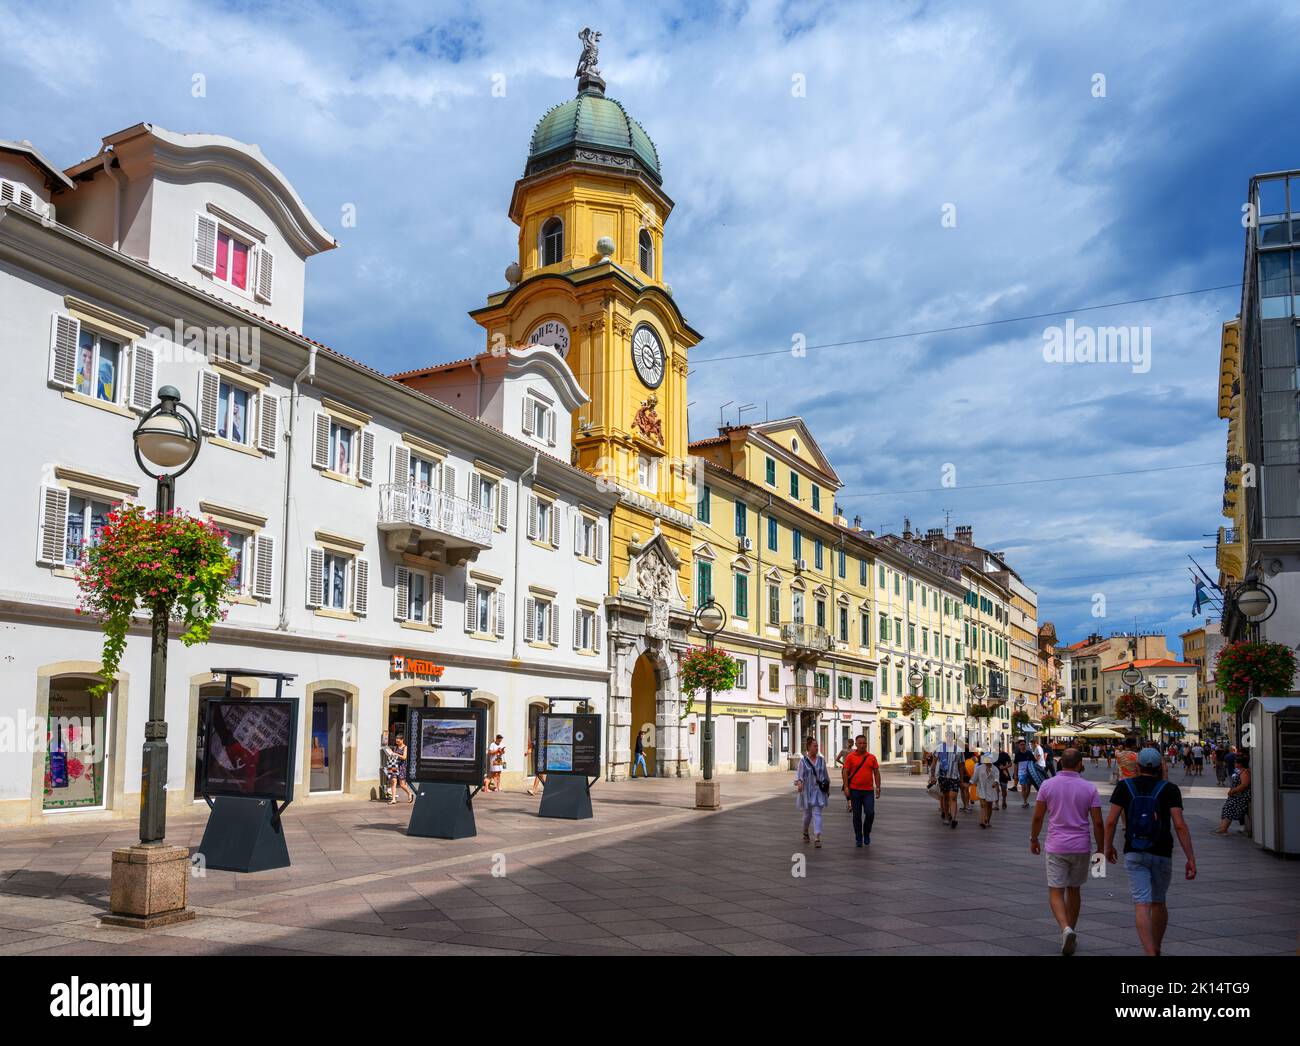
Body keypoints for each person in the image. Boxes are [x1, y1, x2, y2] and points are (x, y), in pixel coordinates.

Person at [1104, 748, 1196, 956]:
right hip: (1162, 851)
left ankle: (1149, 952)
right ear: (1159, 767)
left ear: (1138, 766)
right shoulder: (1170, 789)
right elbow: (1180, 825)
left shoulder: (1124, 786)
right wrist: (1190, 857)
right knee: (1159, 901)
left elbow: (1111, 821)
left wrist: (1107, 847)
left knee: (1141, 903)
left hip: (1134, 851)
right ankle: (1157, 947)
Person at [1031, 748, 1104, 955]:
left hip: (1056, 845)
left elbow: (1038, 817)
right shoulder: (1090, 788)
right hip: (1081, 846)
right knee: (1074, 889)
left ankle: (1065, 929)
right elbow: (1097, 822)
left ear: (1061, 763)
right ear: (1080, 763)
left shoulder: (1047, 785)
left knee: (1055, 890)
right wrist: (1101, 849)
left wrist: (1034, 838)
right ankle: (1071, 930)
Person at [840, 734, 881, 847]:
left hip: (868, 791)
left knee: (870, 813)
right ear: (856, 745)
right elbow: (845, 772)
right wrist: (846, 787)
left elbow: (876, 772)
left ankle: (866, 833)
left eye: (864, 743)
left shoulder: (871, 757)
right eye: (860, 743)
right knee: (856, 815)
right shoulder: (850, 757)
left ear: (866, 744)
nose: (862, 745)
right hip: (855, 791)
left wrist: (878, 787)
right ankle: (858, 836)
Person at [795, 736, 830, 848]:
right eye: (815, 746)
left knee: (817, 813)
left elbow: (825, 775)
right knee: (807, 815)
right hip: (806, 791)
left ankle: (817, 837)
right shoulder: (803, 761)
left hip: (818, 791)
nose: (817, 748)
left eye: (817, 746)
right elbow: (799, 776)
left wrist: (827, 788)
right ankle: (805, 830)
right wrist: (800, 783)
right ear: (809, 747)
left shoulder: (821, 760)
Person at [930, 734, 965, 827]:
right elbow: (933, 763)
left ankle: (953, 819)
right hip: (943, 777)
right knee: (945, 797)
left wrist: (961, 780)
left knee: (953, 797)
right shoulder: (940, 748)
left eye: (950, 737)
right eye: (947, 737)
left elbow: (961, 766)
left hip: (954, 777)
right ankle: (946, 817)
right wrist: (932, 776)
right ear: (946, 738)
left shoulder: (959, 750)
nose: (949, 739)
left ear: (953, 739)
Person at [1215, 752, 1251, 834]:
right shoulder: (1240, 771)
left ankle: (1223, 829)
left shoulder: (1244, 772)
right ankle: (1222, 827)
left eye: (1236, 762)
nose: (1234, 763)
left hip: (1240, 796)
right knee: (1227, 808)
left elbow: (1244, 785)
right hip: (1236, 795)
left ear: (1240, 764)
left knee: (1229, 808)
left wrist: (1233, 791)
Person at [973, 753, 999, 828]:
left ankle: (988, 820)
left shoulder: (995, 769)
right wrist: (973, 783)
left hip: (991, 789)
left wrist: (995, 782)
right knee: (983, 804)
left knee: (989, 805)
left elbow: (997, 778)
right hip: (981, 788)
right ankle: (983, 820)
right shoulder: (979, 768)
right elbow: (975, 778)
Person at [388, 734, 414, 805]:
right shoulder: (395, 747)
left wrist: (396, 754)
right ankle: (393, 799)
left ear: (402, 740)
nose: (397, 742)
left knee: (402, 784)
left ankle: (409, 794)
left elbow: (404, 757)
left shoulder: (405, 747)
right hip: (394, 765)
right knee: (393, 781)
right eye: (396, 741)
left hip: (402, 766)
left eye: (398, 741)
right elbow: (393, 756)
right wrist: (390, 754)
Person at [1013, 738, 1036, 807]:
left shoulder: (1029, 753)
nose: (1022, 746)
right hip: (1021, 773)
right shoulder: (1017, 755)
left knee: (1028, 788)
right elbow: (1015, 765)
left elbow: (1034, 762)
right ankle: (1025, 801)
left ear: (1025, 745)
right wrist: (1015, 775)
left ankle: (1025, 799)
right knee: (1023, 787)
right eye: (1021, 745)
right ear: (1019, 746)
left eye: (1024, 744)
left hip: (1029, 773)